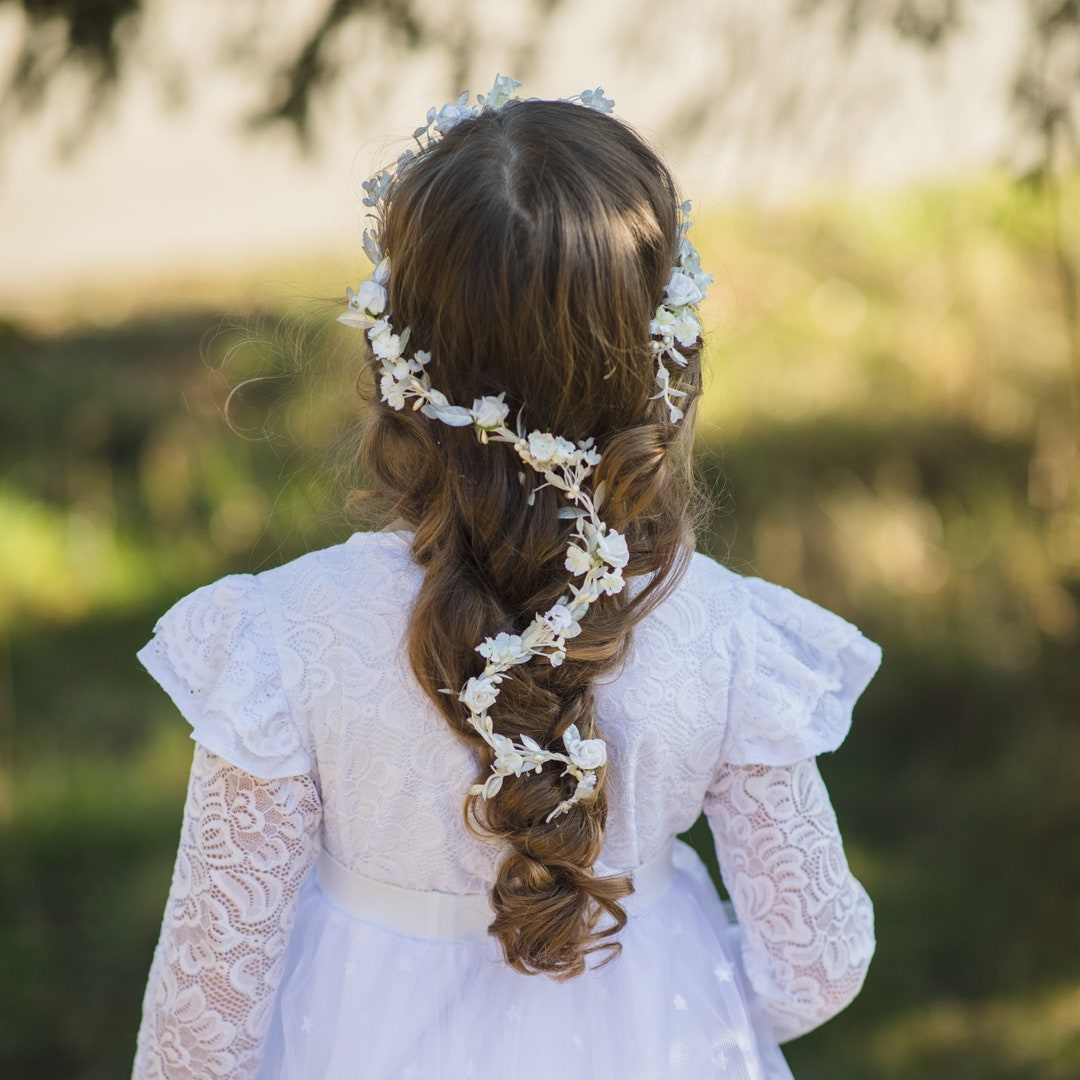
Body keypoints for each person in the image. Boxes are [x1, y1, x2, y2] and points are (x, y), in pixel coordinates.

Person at [132, 77, 880, 1079]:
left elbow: (200, 1028)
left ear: (398, 362)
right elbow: (816, 961)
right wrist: (675, 994)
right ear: (658, 355)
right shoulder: (724, 634)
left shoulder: (283, 639)